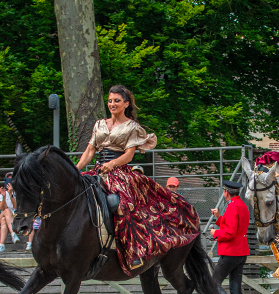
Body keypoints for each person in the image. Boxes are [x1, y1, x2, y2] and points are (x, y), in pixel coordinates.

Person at [76, 85, 200, 273]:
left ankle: (134, 251)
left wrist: (113, 164)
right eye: (110, 100)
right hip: (98, 170)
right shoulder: (99, 124)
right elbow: (90, 151)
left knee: (124, 205)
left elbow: (128, 155)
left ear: (126, 104)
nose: (112, 104)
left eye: (117, 101)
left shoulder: (132, 127)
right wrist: (75, 170)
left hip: (119, 173)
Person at [211, 180, 249, 294]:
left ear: (226, 193)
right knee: (235, 289)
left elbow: (230, 233)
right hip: (241, 252)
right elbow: (234, 227)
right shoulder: (242, 205)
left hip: (230, 252)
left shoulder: (232, 206)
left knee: (214, 284)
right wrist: (218, 217)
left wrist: (216, 233)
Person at [0, 173, 19, 252]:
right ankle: (13, 234)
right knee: (6, 211)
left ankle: (1, 245)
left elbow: (16, 207)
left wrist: (11, 194)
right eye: (8, 180)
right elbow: (2, 208)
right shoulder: (3, 192)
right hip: (4, 213)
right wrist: (3, 196)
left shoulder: (18, 192)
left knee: (4, 220)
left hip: (14, 216)